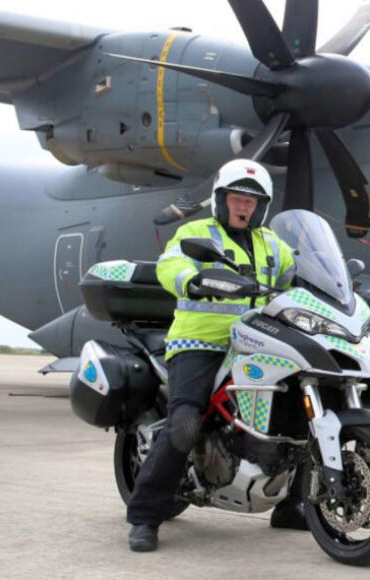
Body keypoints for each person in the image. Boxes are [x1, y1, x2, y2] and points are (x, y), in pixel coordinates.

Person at [126, 159, 297, 551]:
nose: (244, 207)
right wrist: (191, 278)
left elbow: (297, 274)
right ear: (221, 199)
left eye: (252, 202)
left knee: (296, 416)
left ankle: (295, 505)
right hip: (200, 343)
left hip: (259, 342)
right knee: (185, 422)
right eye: (237, 198)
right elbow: (172, 264)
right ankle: (146, 516)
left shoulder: (273, 244)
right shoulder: (196, 232)